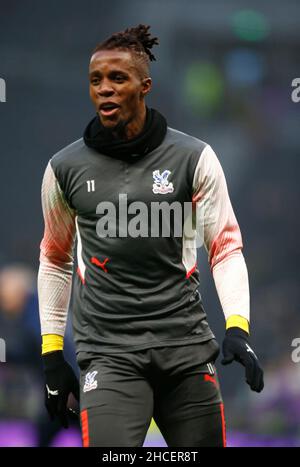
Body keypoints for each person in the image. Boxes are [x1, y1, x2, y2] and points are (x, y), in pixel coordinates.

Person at [38, 24, 264, 447]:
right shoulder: (63, 169)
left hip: (186, 350)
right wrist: (52, 353)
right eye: (95, 80)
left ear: (145, 86)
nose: (104, 89)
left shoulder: (195, 158)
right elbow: (55, 258)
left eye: (117, 79)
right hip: (108, 354)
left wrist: (237, 327)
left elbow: (225, 247)